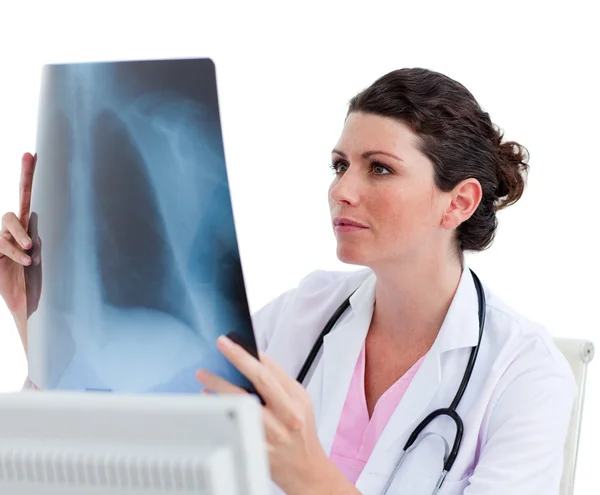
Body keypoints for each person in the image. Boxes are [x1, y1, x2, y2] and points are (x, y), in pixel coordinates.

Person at [1, 68, 576, 494]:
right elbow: (140, 451)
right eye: (339, 164)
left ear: (459, 201)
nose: (342, 190)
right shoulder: (305, 312)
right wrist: (39, 323)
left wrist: (311, 477)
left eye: (379, 168)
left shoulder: (526, 375)